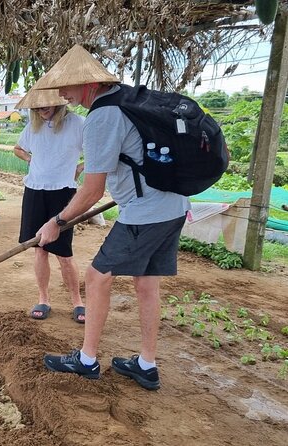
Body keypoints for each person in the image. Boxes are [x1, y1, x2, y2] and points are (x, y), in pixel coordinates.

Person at [34, 44, 190, 390]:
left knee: (97, 275)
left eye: (67, 85)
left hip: (146, 213)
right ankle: (146, 365)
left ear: (89, 84)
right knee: (146, 282)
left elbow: (91, 192)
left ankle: (87, 360)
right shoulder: (128, 102)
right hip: (175, 206)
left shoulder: (102, 117)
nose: (61, 93)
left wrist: (57, 222)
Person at [13, 89, 86, 322]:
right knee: (39, 248)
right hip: (35, 191)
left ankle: (77, 301)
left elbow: (97, 152)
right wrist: (30, 159)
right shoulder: (33, 127)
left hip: (63, 192)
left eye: (45, 104)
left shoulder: (77, 124)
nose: (41, 109)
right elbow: (18, 149)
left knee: (64, 253)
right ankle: (43, 299)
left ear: (58, 103)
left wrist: (80, 168)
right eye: (36, 106)